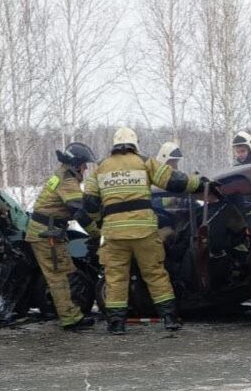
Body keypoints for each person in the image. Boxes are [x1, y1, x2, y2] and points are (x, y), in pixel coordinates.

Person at [84, 127, 203, 334]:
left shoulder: (100, 167)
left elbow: (90, 203)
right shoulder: (144, 162)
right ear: (134, 144)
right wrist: (197, 183)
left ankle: (116, 324)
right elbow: (174, 181)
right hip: (144, 232)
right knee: (155, 274)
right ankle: (169, 319)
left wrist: (102, 220)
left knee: (116, 278)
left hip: (114, 235)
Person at [25, 142, 99, 330]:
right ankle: (70, 319)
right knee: (58, 276)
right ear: (75, 164)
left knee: (65, 271)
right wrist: (95, 233)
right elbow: (78, 211)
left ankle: (72, 313)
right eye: (84, 164)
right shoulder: (67, 180)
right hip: (46, 234)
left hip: (50, 231)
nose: (85, 169)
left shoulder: (63, 176)